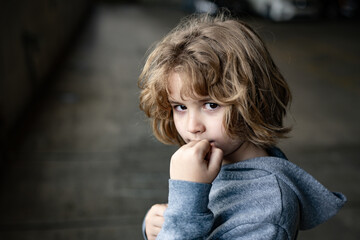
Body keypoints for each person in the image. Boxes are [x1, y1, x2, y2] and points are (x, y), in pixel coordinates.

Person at [138, 12, 346, 240]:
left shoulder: (267, 212)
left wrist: (186, 203)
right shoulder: (214, 163)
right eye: (180, 107)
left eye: (211, 104)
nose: (192, 126)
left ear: (253, 100)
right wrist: (161, 226)